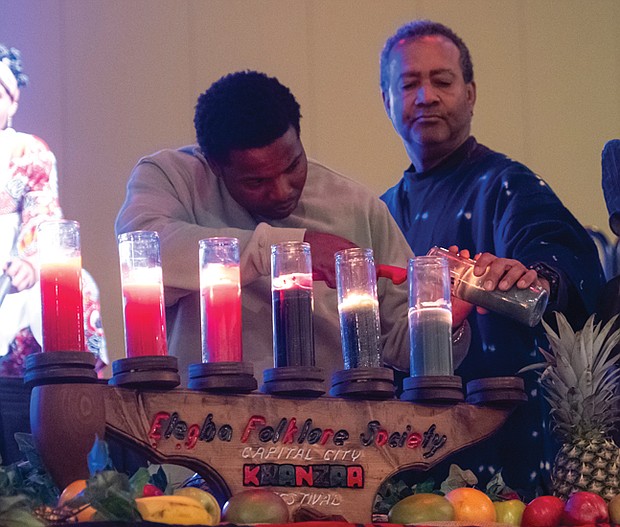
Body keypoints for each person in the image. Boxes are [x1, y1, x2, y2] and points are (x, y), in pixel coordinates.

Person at [115, 70, 472, 385]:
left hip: (330, 441)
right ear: (214, 165)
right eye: (256, 181)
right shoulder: (174, 178)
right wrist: (293, 248)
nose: (282, 189)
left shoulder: (355, 206)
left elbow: (400, 348)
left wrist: (442, 320)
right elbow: (146, 253)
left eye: (294, 166)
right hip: (200, 434)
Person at [378, 20, 604, 495]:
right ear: (387, 101)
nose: (426, 96)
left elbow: (556, 251)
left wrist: (535, 277)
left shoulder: (506, 184)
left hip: (508, 443)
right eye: (409, 84)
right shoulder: (382, 210)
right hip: (408, 451)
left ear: (470, 94)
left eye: (442, 81)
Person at [0, 44, 107, 375]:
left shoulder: (28, 152)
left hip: (10, 269)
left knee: (72, 287)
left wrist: (30, 267)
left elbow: (42, 215)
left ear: (13, 102)